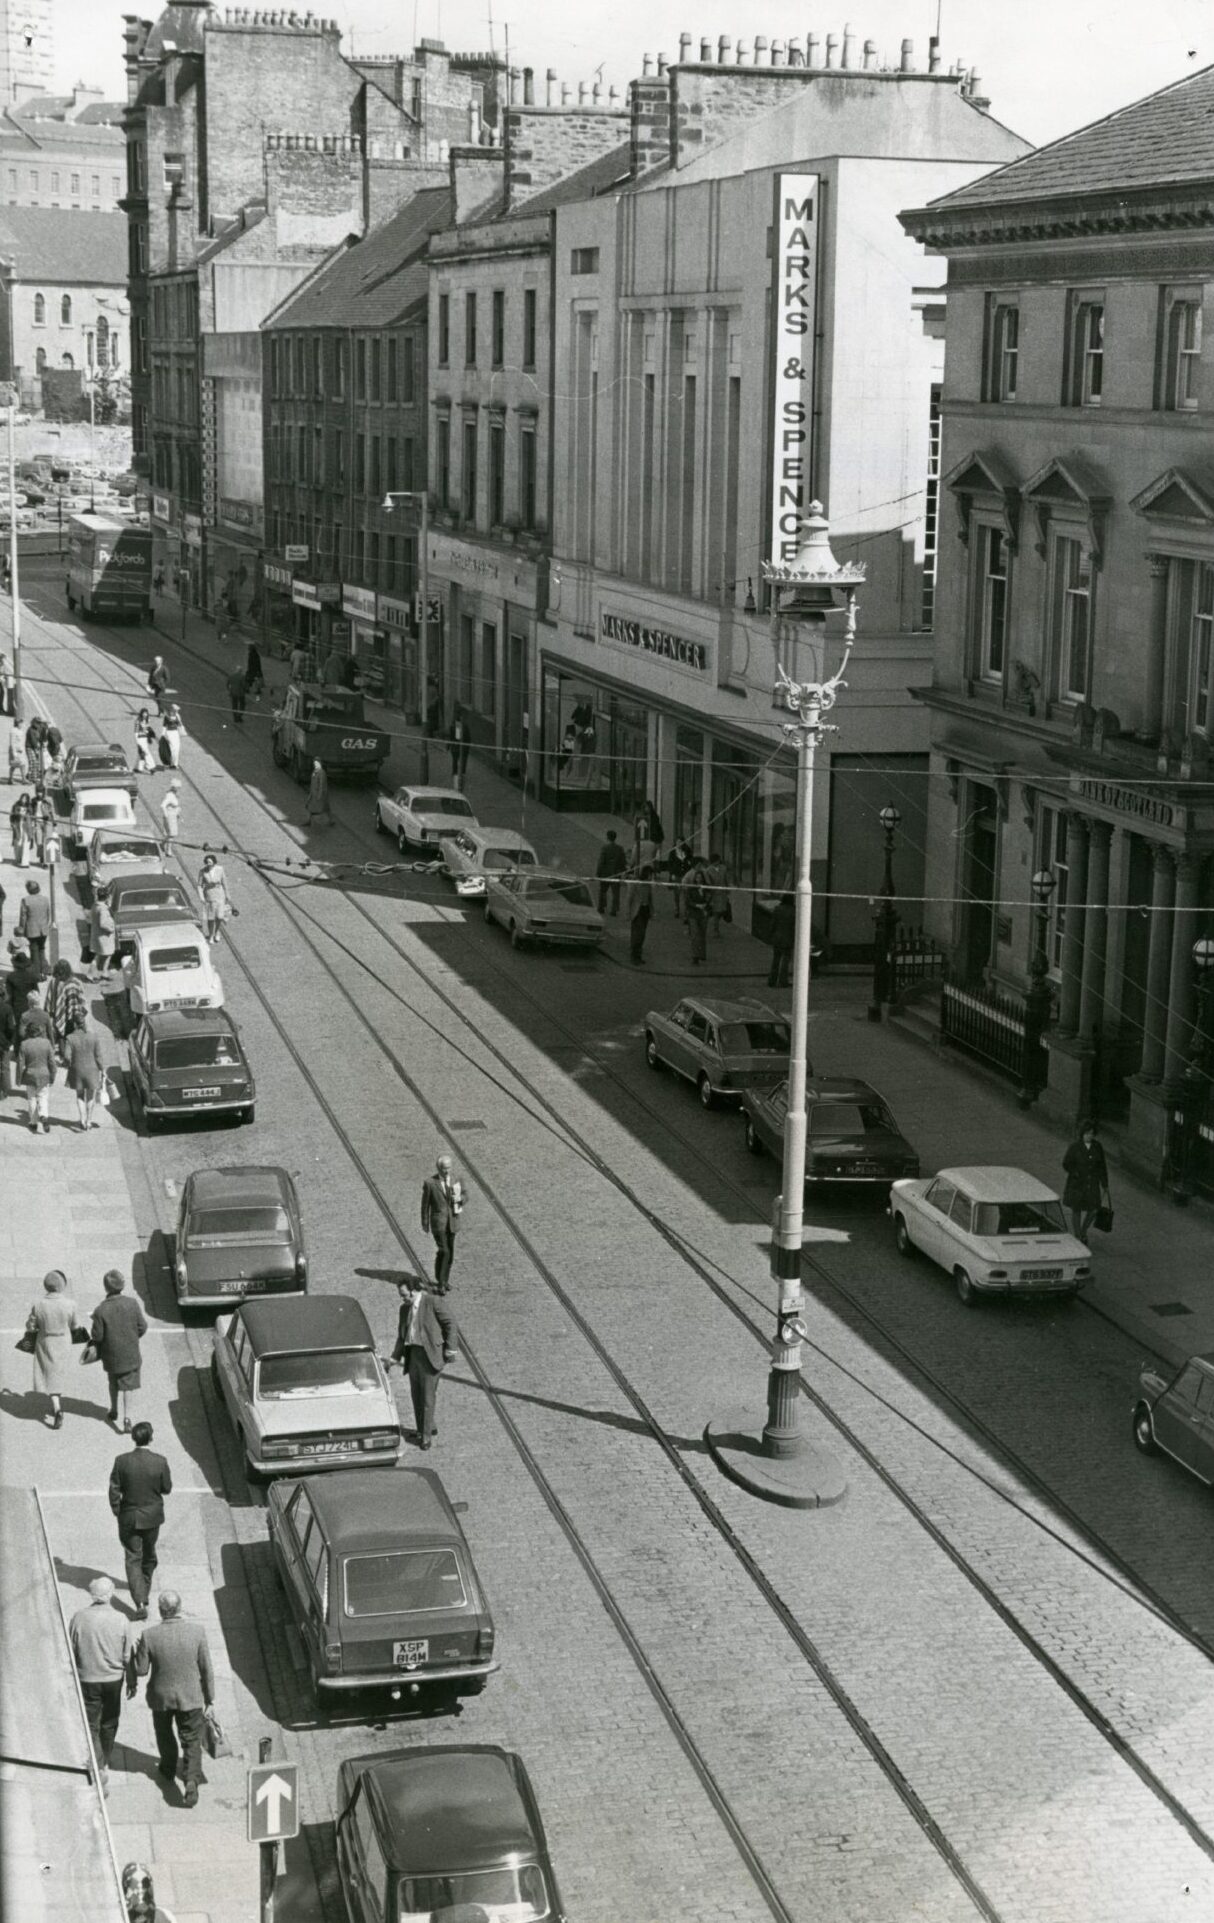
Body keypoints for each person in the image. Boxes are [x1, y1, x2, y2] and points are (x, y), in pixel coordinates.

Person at [131, 1590, 214, 1808]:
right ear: (179, 1608)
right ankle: (191, 1780)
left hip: (161, 1697)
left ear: (160, 1611)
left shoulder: (149, 1635)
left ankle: (167, 1768)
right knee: (191, 1739)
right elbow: (207, 1669)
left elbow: (141, 1670)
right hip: (191, 1696)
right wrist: (210, 1700)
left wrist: (136, 1651)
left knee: (164, 1733)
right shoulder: (197, 1632)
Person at [69, 1576, 139, 1793]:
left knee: (91, 1724)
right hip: (112, 1681)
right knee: (110, 1721)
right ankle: (103, 1760)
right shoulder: (121, 1620)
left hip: (87, 1678)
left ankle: (98, 1763)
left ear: (92, 1595)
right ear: (110, 1595)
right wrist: (132, 1680)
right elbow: (128, 1655)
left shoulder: (79, 1618)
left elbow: (71, 1650)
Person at [109, 1420, 172, 1619]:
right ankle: (144, 1589)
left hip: (128, 1516)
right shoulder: (160, 1461)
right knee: (149, 1555)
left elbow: (114, 1488)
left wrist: (117, 1510)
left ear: (134, 1438)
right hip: (152, 1517)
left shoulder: (121, 1460)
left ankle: (140, 1601)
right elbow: (167, 1488)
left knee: (132, 1557)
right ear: (151, 1437)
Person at [390, 1276, 458, 1450]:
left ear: (414, 1291)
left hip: (430, 1356)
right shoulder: (404, 1309)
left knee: (428, 1397)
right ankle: (424, 1428)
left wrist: (450, 1349)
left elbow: (450, 1323)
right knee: (416, 1395)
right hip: (413, 1355)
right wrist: (395, 1357)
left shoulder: (432, 1302)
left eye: (404, 1294)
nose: (402, 1298)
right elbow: (401, 1335)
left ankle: (426, 1436)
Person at [91, 1269, 148, 1431]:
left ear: (105, 1287)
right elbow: (142, 1326)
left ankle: (114, 1409)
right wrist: (132, 1338)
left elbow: (97, 1336)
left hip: (111, 1356)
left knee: (113, 1382)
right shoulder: (132, 1303)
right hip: (130, 1354)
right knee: (127, 1387)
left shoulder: (101, 1310)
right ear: (123, 1285)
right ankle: (127, 1418)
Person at [26, 1269, 83, 1426]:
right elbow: (75, 1325)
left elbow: (31, 1327)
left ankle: (57, 1408)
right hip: (63, 1341)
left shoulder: (38, 1304)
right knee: (57, 1374)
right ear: (61, 1286)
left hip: (45, 1341)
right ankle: (57, 1406)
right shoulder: (70, 1304)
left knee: (48, 1373)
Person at [1062, 1119, 1110, 1243]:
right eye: (1087, 1133)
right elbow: (1066, 1163)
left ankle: (1084, 1231)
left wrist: (1104, 1183)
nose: (1089, 1136)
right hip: (1077, 1184)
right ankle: (1078, 1235)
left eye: (1092, 1133)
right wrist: (1075, 1172)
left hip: (1092, 1183)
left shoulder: (1097, 1146)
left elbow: (1102, 1166)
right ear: (1082, 1134)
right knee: (1076, 1209)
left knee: (1094, 1209)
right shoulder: (1075, 1147)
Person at [421, 1153, 464, 1292]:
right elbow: (425, 1204)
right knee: (444, 1251)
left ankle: (444, 1280)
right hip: (438, 1223)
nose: (447, 1171)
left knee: (449, 1253)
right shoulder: (430, 1183)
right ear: (439, 1168)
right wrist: (425, 1222)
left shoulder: (455, 1180)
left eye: (449, 1168)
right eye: (444, 1168)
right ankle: (440, 1283)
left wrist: (458, 1198)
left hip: (452, 1222)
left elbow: (463, 1197)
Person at [66, 1010, 107, 1130]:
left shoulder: (70, 1038)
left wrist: (69, 1063)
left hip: (77, 1070)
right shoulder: (93, 1037)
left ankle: (82, 1119)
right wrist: (103, 1070)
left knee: (79, 1096)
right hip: (92, 1070)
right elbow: (98, 1056)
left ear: (74, 1024)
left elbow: (67, 1056)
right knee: (90, 1097)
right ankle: (89, 1121)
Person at [18, 1018, 56, 1132]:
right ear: (40, 1031)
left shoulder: (24, 1044)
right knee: (43, 1096)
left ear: (28, 1032)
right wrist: (53, 1075)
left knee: (31, 1098)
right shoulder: (47, 1043)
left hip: (30, 1074)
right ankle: (43, 1115)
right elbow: (52, 1062)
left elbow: (20, 1064)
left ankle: (33, 1122)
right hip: (44, 1074)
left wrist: (19, 1079)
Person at [45, 957, 87, 1052]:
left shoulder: (53, 982)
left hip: (58, 1012)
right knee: (73, 1032)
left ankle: (63, 1053)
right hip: (74, 1012)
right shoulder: (75, 981)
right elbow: (81, 998)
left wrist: (50, 1013)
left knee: (61, 1034)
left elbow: (49, 999)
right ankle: (73, 1052)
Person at [197, 853, 231, 944]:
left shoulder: (220, 869)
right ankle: (211, 935)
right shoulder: (202, 871)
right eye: (207, 862)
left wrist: (227, 894)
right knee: (211, 918)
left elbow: (224, 882)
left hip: (220, 895)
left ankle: (217, 932)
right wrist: (201, 897)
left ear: (214, 862)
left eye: (210, 862)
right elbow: (199, 885)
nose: (208, 864)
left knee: (220, 917)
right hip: (209, 896)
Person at [6, 946, 42, 1025]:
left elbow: (8, 996)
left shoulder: (11, 977)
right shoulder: (32, 977)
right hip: (29, 1008)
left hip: (16, 1008)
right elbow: (36, 993)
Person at [626, 864, 654, 965]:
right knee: (638, 934)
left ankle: (638, 955)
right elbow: (629, 898)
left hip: (645, 910)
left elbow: (650, 899)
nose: (651, 877)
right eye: (650, 875)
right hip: (637, 911)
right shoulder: (636, 884)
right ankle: (634, 956)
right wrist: (628, 912)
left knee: (642, 935)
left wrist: (652, 911)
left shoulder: (648, 885)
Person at [595, 829, 627, 915]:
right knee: (616, 893)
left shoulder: (605, 848)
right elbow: (623, 861)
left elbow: (601, 861)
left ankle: (601, 907)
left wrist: (598, 872)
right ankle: (614, 910)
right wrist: (623, 870)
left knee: (603, 891)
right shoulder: (620, 848)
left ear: (607, 837)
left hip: (605, 873)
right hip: (616, 873)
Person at [684, 861, 710, 966]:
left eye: (700, 878)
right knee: (695, 934)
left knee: (702, 934)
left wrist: (705, 904)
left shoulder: (706, 888)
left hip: (703, 913)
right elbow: (688, 901)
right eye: (697, 878)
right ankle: (695, 956)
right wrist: (696, 905)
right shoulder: (691, 889)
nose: (699, 879)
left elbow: (709, 897)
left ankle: (702, 954)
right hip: (693, 914)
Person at [89, 886, 118, 979]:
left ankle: (102, 972)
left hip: (97, 935)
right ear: (106, 897)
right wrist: (111, 929)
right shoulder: (103, 909)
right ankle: (93, 973)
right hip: (104, 936)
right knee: (106, 955)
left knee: (100, 955)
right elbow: (103, 923)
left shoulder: (95, 906)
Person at [768, 893, 795, 988]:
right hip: (787, 938)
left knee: (776, 959)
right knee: (785, 960)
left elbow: (772, 924)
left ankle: (772, 980)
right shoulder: (793, 911)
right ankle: (782, 981)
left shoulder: (777, 909)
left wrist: (771, 934)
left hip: (777, 937)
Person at [666, 838, 694, 920]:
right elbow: (670, 864)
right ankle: (677, 909)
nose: (679, 843)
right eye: (677, 842)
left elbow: (691, 861)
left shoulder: (687, 851)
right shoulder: (673, 852)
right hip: (677, 875)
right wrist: (672, 874)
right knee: (677, 894)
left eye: (680, 842)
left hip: (685, 875)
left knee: (686, 894)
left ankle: (686, 913)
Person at [704, 852, 730, 936]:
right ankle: (715, 929)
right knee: (715, 912)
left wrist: (727, 889)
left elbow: (726, 879)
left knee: (720, 911)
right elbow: (708, 883)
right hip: (714, 895)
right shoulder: (708, 870)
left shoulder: (723, 868)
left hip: (722, 894)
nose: (718, 862)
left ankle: (715, 926)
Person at [304, 758, 330, 829]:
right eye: (314, 763)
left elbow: (322, 784)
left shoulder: (321, 773)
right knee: (309, 806)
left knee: (322, 808)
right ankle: (309, 821)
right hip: (313, 793)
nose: (315, 764)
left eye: (316, 763)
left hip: (318, 794)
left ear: (320, 763)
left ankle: (327, 821)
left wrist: (319, 795)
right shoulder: (315, 771)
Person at [450, 705, 470, 789]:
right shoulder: (462, 726)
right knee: (462, 765)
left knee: (456, 764)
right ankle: (460, 782)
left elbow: (456, 737)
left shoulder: (456, 725)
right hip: (461, 748)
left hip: (457, 748)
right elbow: (466, 738)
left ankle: (457, 783)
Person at [159, 780, 181, 851]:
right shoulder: (170, 795)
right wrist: (165, 814)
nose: (178, 789)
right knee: (171, 834)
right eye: (177, 787)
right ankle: (169, 851)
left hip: (174, 815)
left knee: (171, 833)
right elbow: (163, 805)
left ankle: (163, 843)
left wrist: (178, 814)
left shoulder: (174, 795)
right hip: (170, 816)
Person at [134, 709, 158, 774]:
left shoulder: (147, 720)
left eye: (146, 713)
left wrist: (151, 735)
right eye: (144, 713)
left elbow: (148, 729)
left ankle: (138, 768)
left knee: (141, 753)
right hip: (140, 739)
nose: (145, 714)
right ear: (141, 713)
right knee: (146, 752)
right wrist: (137, 742)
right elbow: (136, 732)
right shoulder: (138, 721)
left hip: (145, 739)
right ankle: (151, 767)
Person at [10, 789, 30, 864]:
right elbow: (12, 816)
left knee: (25, 843)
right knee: (17, 842)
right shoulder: (15, 806)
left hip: (26, 826)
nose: (24, 800)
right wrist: (12, 824)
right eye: (23, 798)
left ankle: (23, 859)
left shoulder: (29, 807)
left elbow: (31, 816)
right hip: (17, 825)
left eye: (25, 799)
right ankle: (17, 858)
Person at [0, 986, 13, 1097]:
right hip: (4, 1042)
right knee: (5, 1067)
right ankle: (4, 1090)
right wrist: (10, 1040)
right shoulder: (7, 1008)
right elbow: (11, 1027)